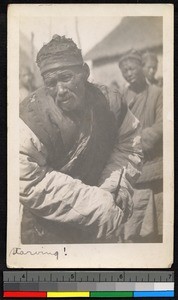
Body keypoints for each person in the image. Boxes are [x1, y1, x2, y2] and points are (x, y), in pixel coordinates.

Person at [19, 36, 143, 244]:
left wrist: (113, 186)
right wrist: (94, 205)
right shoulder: (32, 116)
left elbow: (129, 145)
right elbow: (27, 179)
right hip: (47, 231)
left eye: (66, 77)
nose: (60, 90)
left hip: (98, 226)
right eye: (51, 83)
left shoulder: (110, 103)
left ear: (85, 72)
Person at [118, 49, 163, 242]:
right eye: (124, 70)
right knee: (131, 229)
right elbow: (116, 128)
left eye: (132, 68)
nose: (129, 73)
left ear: (141, 67)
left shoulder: (157, 94)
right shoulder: (122, 97)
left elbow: (161, 126)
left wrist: (135, 142)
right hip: (130, 170)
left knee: (156, 230)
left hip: (153, 169)